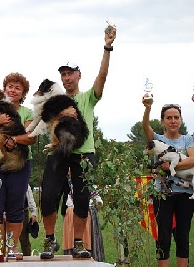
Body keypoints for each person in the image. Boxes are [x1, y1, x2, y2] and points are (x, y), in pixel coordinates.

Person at [40, 26, 116, 259]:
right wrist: (61, 115)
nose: (66, 77)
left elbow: (102, 78)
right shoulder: (57, 99)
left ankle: (79, 244)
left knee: (82, 199)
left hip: (84, 152)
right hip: (60, 151)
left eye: (70, 73)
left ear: (78, 75)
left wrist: (107, 47)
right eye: (63, 74)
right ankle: (50, 240)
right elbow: (44, 117)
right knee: (48, 195)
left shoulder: (87, 98)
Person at [0, 72, 36, 259]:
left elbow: (31, 137)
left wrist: (13, 139)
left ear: (23, 93)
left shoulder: (27, 112)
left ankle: (11, 248)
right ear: (4, 89)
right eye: (10, 87)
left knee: (16, 206)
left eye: (17, 88)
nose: (13, 90)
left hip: (19, 164)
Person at [142, 99, 194, 267]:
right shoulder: (157, 140)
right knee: (163, 237)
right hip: (162, 194)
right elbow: (145, 128)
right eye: (169, 118)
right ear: (162, 121)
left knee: (182, 237)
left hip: (185, 195)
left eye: (176, 117)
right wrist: (147, 109)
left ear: (181, 120)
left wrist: (170, 166)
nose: (173, 121)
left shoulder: (187, 140)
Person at [18, 185, 37, 256]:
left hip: (23, 211)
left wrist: (33, 212)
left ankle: (28, 259)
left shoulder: (25, 182)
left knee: (24, 239)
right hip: (9, 213)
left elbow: (30, 197)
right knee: (8, 239)